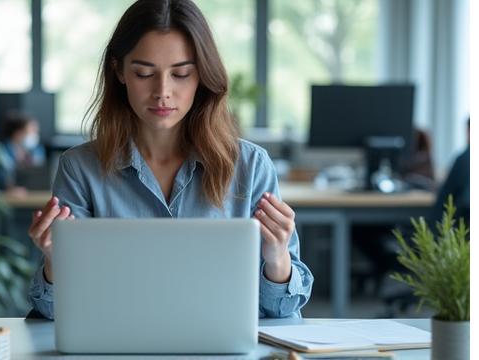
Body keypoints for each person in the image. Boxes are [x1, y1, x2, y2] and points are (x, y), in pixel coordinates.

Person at [27, 0, 314, 320]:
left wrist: (276, 257)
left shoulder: (250, 166)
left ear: (202, 76)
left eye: (180, 74)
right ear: (119, 71)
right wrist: (56, 261)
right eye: (144, 73)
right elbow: (55, 312)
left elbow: (283, 310)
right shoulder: (80, 168)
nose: (162, 91)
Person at [0, 111, 46, 194]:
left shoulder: (37, 150)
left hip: (32, 195)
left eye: (36, 131)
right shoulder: (1, 151)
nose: (35, 135)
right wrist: (9, 188)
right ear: (18, 133)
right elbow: (0, 179)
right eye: (31, 131)